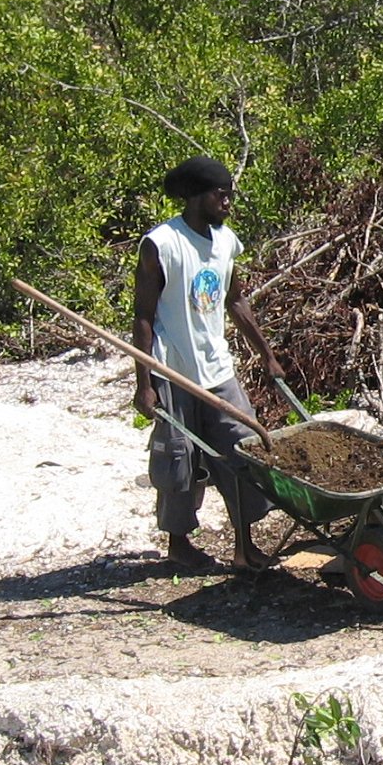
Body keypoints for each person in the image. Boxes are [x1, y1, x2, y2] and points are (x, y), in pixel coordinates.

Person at [132, 154, 287, 570]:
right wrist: (144, 383)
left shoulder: (225, 242)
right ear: (197, 196)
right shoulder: (161, 245)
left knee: (244, 450)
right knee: (179, 459)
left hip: (218, 369)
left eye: (229, 195)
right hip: (174, 369)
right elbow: (143, 315)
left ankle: (244, 545)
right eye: (221, 195)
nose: (227, 202)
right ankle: (179, 545)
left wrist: (267, 356)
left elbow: (236, 301)